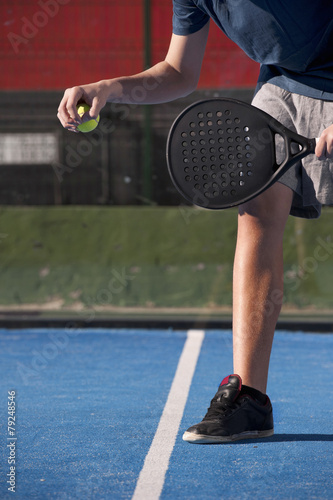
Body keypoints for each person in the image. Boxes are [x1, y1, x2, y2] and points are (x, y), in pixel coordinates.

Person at [57, 1, 333, 443]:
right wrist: (108, 87)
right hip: (283, 83)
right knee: (256, 212)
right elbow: (178, 71)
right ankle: (250, 399)